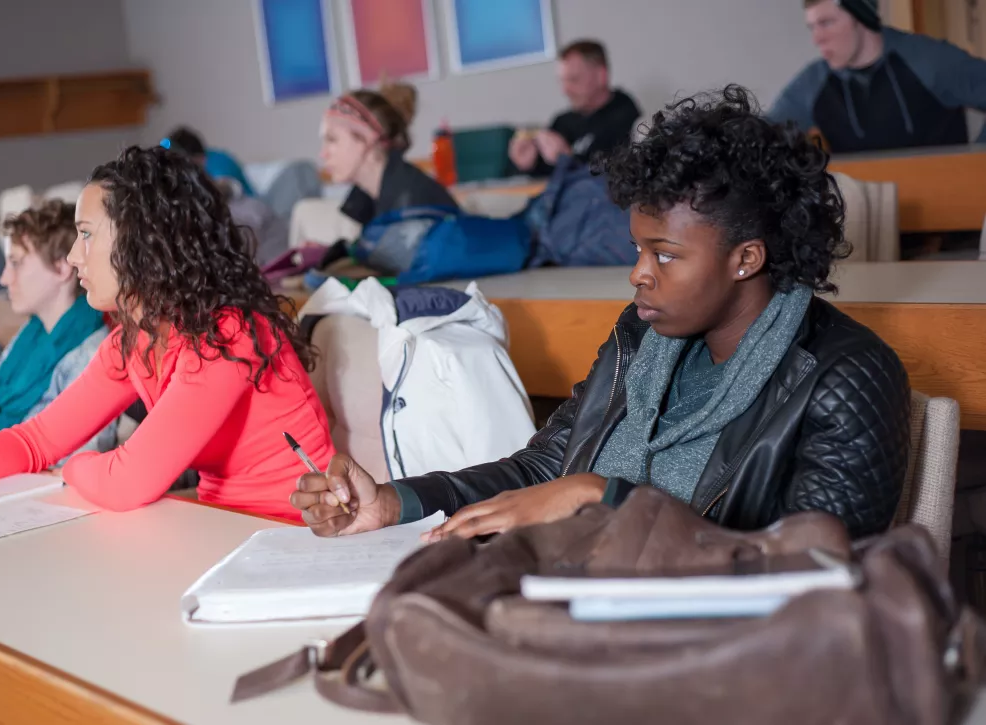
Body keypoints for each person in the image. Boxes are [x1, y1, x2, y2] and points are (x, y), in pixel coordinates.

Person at [292, 86, 912, 542]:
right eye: (639, 249)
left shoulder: (845, 377)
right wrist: (395, 501)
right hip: (581, 608)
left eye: (665, 255)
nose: (639, 273)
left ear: (746, 258)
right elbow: (542, 467)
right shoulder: (642, 334)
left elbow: (815, 577)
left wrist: (602, 499)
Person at [0, 146, 334, 518]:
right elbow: (38, 439)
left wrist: (70, 467)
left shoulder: (228, 335)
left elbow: (128, 481)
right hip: (218, 525)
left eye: (85, 235)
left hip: (295, 533)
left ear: (143, 243)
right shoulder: (136, 339)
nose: (72, 256)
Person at [0, 200, 115, 454]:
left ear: (62, 268)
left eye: (16, 263)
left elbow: (80, 461)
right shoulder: (27, 337)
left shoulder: (92, 352)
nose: (3, 277)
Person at [769, 0, 986, 153]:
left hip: (950, 206)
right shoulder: (812, 84)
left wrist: (976, 158)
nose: (817, 39)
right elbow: (763, 134)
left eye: (826, 23)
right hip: (864, 211)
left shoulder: (929, 61)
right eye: (812, 28)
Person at [323, 89, 457, 228]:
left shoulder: (410, 205)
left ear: (369, 141)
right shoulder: (377, 192)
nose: (323, 153)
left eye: (332, 139)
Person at [509, 40, 641, 178]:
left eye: (573, 79)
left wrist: (567, 160)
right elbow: (548, 176)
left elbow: (617, 176)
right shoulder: (562, 121)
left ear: (601, 76)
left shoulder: (625, 117)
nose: (565, 90)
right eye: (562, 81)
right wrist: (530, 164)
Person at [163, 126, 321, 219]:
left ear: (199, 159)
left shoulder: (217, 164)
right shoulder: (212, 161)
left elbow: (223, 193)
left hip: (258, 209)